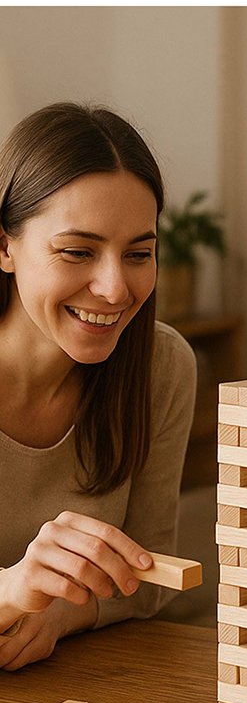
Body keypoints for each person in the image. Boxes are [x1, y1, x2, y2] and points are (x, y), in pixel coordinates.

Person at [0, 102, 197, 670]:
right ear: (5, 247)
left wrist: (62, 612)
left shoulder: (162, 367)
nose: (115, 289)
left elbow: (155, 574)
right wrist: (14, 590)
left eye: (139, 253)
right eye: (77, 252)